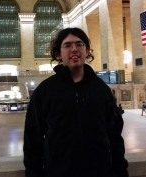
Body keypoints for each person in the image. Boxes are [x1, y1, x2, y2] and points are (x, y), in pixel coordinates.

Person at [23, 28, 129, 177]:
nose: (74, 49)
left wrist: (120, 171)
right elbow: (32, 139)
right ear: (59, 54)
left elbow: (115, 136)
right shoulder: (45, 91)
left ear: (87, 50)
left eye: (79, 44)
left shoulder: (101, 89)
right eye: (67, 45)